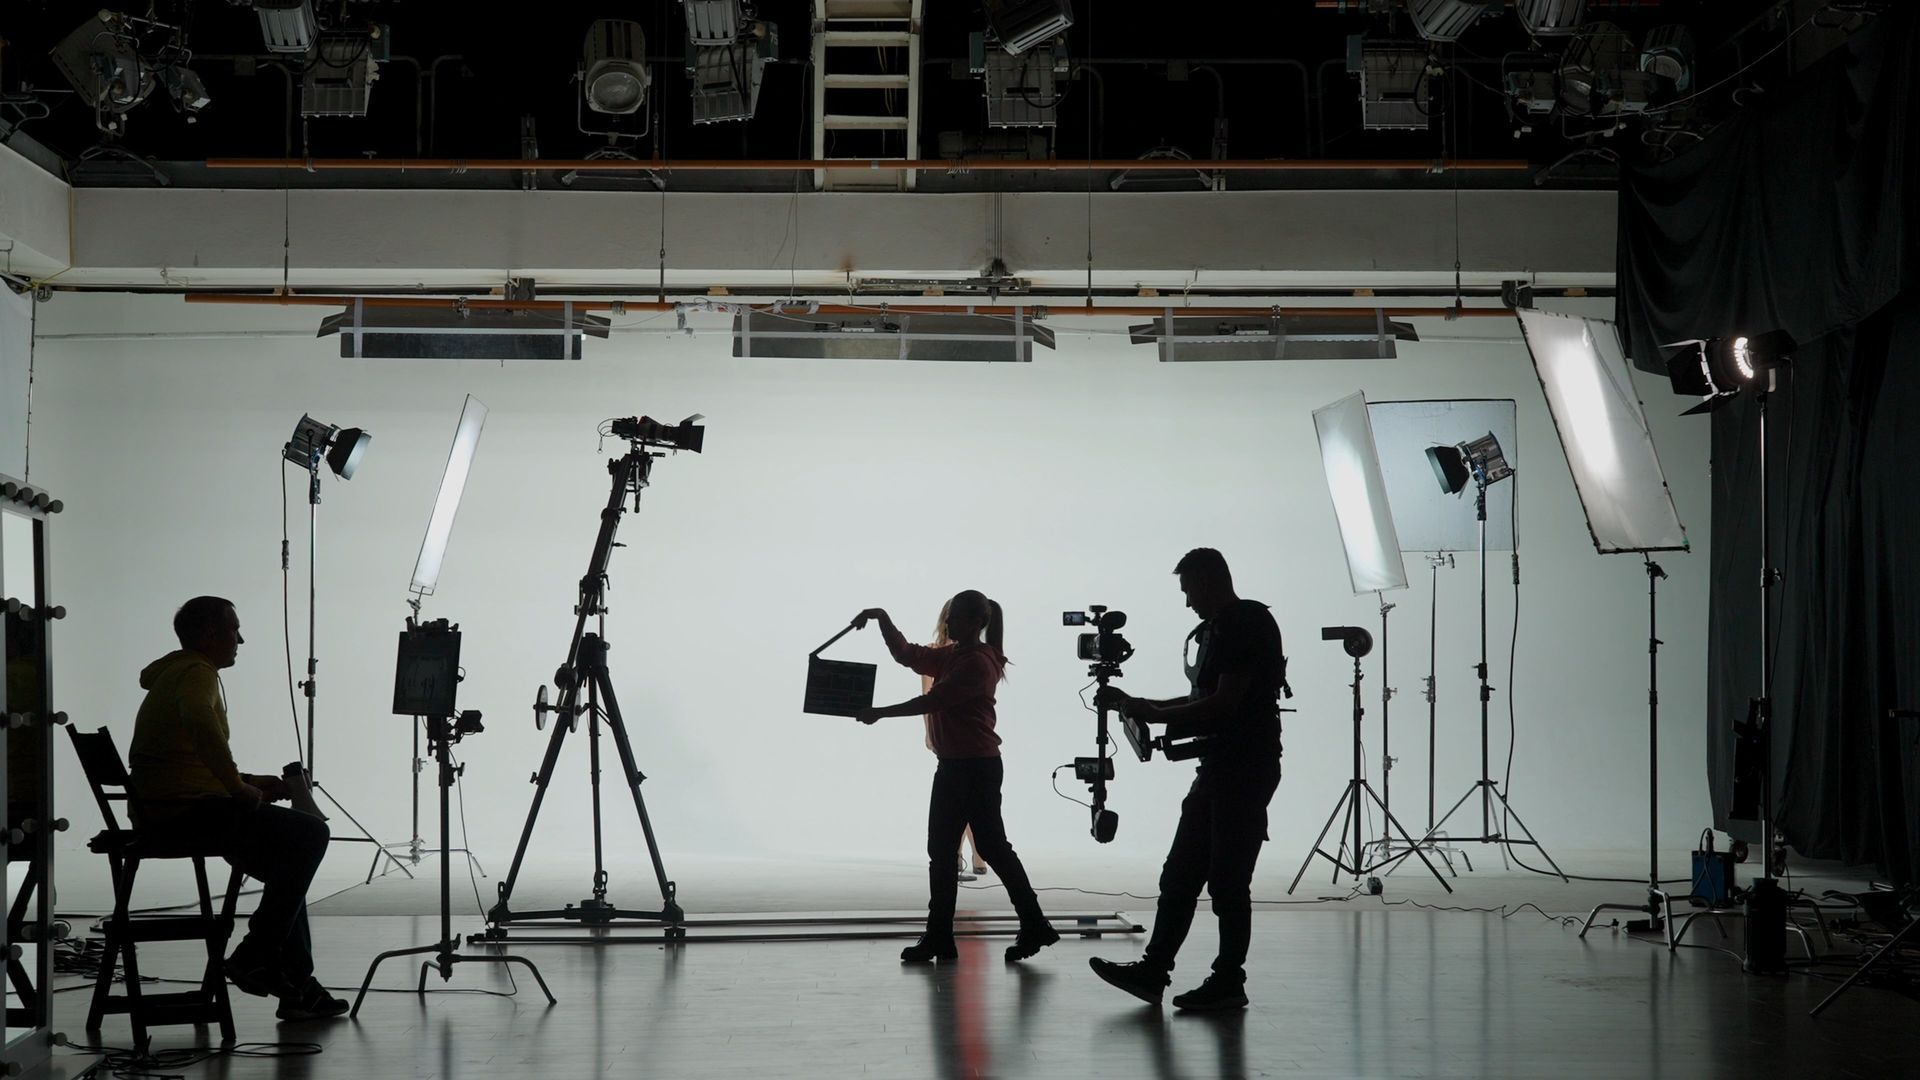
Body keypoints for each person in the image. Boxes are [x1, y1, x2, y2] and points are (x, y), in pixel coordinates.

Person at [126, 596, 349, 1022]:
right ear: (211, 635)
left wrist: (246, 782)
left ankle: (297, 988)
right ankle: (255, 956)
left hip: (172, 808)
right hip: (183, 815)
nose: (240, 640)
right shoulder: (197, 674)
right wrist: (237, 788)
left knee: (290, 872)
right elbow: (200, 725)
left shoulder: (173, 673)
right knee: (311, 835)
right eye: (234, 630)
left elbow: (186, 759)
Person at [1089, 549, 1288, 1011]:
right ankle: (1154, 971)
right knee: (1180, 874)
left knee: (1227, 880)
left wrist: (1153, 712)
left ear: (1209, 581)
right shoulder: (1228, 626)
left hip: (1242, 769)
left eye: (1189, 592)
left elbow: (1225, 704)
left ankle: (1227, 982)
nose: (1187, 604)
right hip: (1220, 766)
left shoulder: (1242, 625)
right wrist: (1143, 705)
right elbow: (1206, 697)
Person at [852, 591, 1057, 963]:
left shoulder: (976, 662)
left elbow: (935, 700)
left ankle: (947, 937)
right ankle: (1024, 926)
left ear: (977, 622)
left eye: (957, 618)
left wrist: (880, 712)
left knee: (953, 852)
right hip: (965, 766)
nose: (948, 624)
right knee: (973, 850)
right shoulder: (956, 655)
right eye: (949, 617)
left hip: (970, 769)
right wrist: (882, 617)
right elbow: (909, 655)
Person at [923, 600, 989, 881]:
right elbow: (928, 698)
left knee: (964, 803)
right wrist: (929, 733)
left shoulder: (978, 654)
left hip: (969, 738)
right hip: (951, 738)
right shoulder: (935, 654)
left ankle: (971, 853)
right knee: (962, 803)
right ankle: (968, 853)